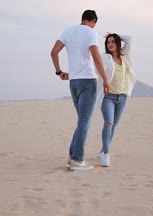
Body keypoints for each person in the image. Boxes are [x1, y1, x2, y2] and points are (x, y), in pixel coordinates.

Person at [50, 10, 110, 171]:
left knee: (82, 121)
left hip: (73, 82)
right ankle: (77, 160)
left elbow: (54, 52)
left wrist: (58, 71)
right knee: (84, 122)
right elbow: (96, 56)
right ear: (93, 21)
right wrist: (105, 78)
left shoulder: (68, 31)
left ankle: (71, 157)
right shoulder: (91, 32)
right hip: (87, 81)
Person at [95, 33, 136, 167]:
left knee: (114, 125)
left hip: (122, 97)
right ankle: (106, 152)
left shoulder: (124, 57)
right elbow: (96, 66)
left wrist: (115, 34)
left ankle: (102, 149)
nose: (110, 44)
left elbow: (129, 39)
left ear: (118, 43)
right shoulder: (105, 57)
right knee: (109, 123)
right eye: (108, 42)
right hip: (108, 96)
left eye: (113, 41)